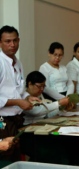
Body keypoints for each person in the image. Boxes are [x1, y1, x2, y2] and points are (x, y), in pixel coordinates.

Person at [0, 25, 39, 162]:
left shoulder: (18, 63)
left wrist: (28, 97)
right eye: (8, 41)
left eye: (15, 40)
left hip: (16, 119)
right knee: (5, 156)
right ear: (0, 42)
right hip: (2, 121)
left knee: (16, 156)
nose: (12, 44)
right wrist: (18, 102)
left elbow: (18, 91)